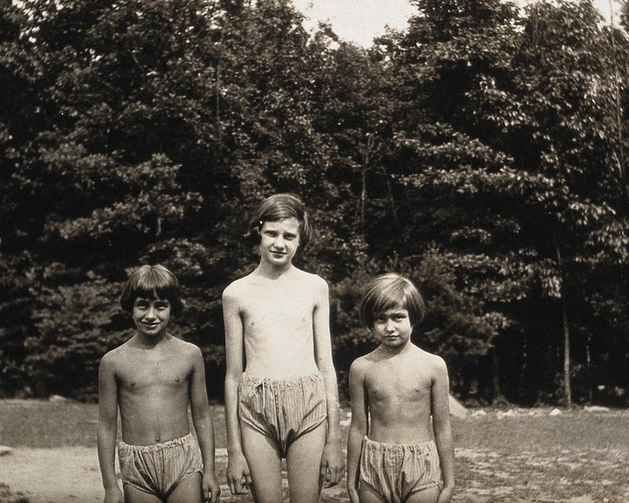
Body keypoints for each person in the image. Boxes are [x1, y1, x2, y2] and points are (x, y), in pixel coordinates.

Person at [223, 193, 344, 502]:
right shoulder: (236, 293)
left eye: (289, 236)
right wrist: (234, 451)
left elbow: (326, 365)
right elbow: (233, 375)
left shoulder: (315, 287)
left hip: (308, 404)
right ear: (258, 233)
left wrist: (334, 439)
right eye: (272, 233)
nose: (280, 243)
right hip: (256, 408)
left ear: (300, 239)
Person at [97, 264, 220, 503]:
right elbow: (106, 425)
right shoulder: (113, 361)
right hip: (138, 467)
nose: (151, 315)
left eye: (160, 306)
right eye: (142, 305)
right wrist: (110, 486)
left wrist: (210, 472)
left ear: (172, 307)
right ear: (131, 307)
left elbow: (202, 415)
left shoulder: (190, 354)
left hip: (183, 462)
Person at [346, 274, 455, 503]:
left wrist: (449, 483)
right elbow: (357, 427)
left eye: (398, 317)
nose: (390, 327)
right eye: (380, 319)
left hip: (420, 465)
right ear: (371, 322)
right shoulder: (362, 367)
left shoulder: (433, 366)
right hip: (375, 465)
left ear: (412, 316)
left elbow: (442, 428)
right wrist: (351, 483)